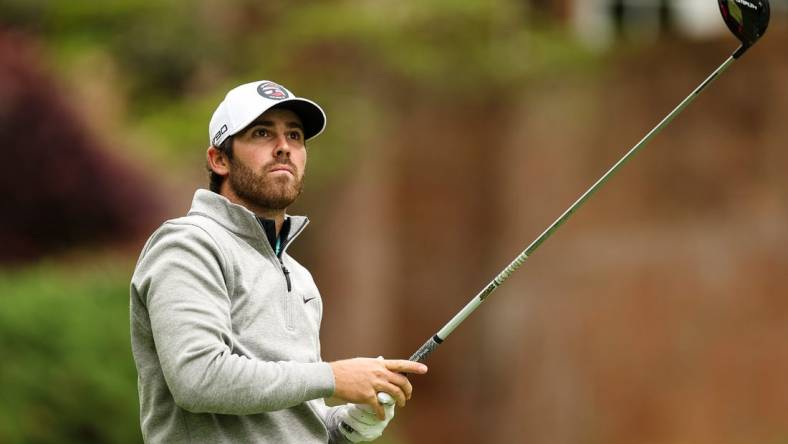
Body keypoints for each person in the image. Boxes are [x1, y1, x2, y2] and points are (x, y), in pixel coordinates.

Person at [130, 80, 428, 443]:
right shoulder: (188, 245)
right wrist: (333, 378)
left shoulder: (298, 275)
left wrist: (349, 425)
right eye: (261, 133)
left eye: (295, 136)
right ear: (219, 159)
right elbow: (199, 378)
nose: (284, 147)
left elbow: (294, 416)